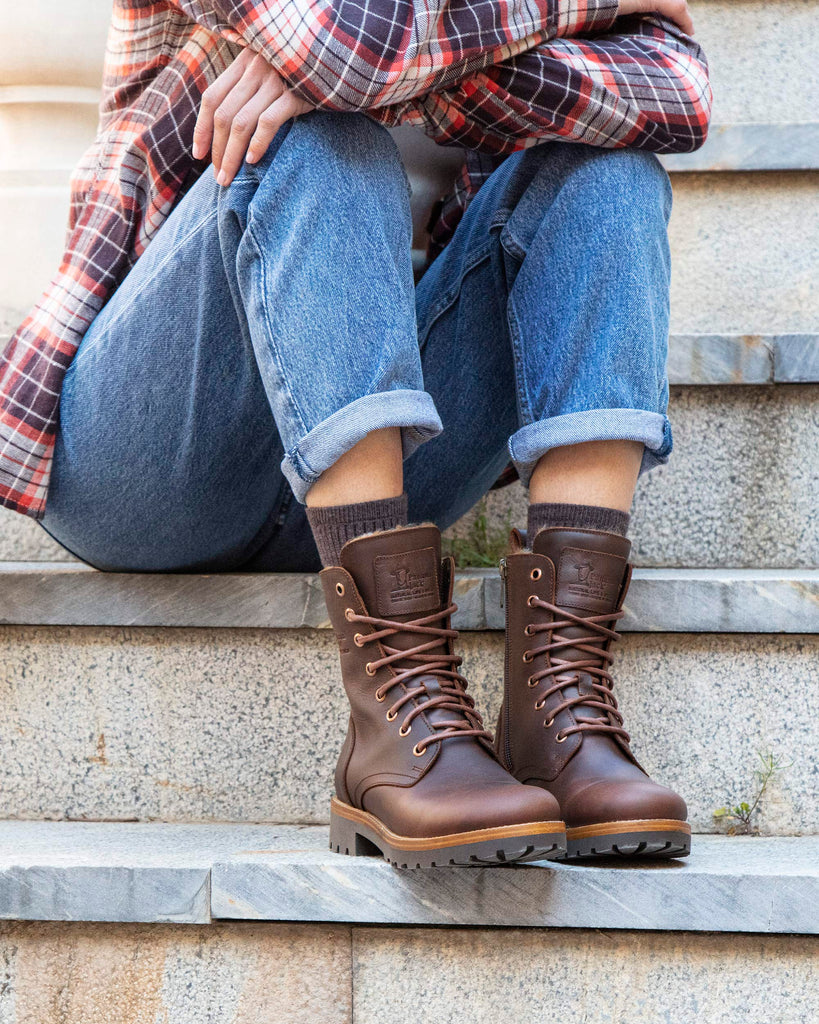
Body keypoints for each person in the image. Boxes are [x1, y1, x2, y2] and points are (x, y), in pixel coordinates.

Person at [0, 0, 711, 866]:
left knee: (610, 172)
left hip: (385, 464)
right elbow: (342, 48)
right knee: (321, 137)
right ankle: (395, 715)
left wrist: (402, 83)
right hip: (155, 457)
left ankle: (559, 709)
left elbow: (677, 95)